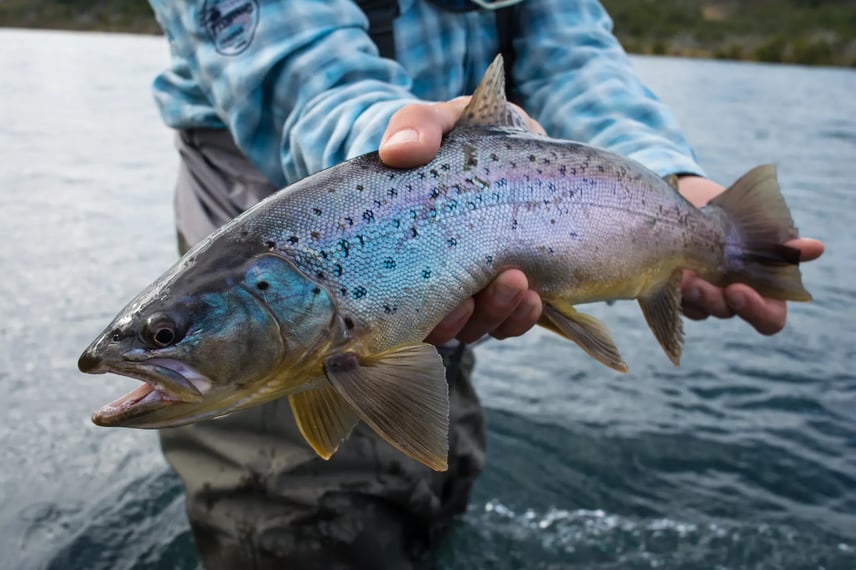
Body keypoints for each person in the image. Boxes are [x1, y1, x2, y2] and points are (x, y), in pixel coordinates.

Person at [145, 0, 824, 568]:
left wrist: (667, 178)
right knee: (300, 524)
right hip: (278, 221)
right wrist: (399, 148)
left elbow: (572, 56)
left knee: (438, 487)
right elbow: (302, 74)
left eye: (162, 336)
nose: (151, 345)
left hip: (454, 243)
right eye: (161, 336)